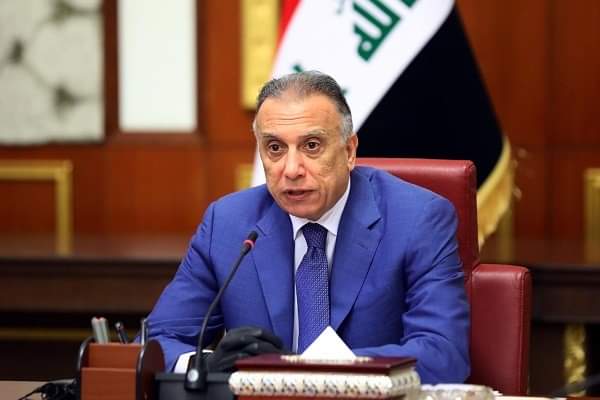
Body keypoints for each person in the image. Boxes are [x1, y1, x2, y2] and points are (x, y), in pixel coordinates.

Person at [146, 71, 470, 383]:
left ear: (349, 151)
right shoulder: (228, 224)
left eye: (311, 146)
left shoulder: (417, 220)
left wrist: (311, 370)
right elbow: (157, 343)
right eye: (275, 148)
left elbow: (442, 354)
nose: (291, 169)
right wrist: (205, 365)